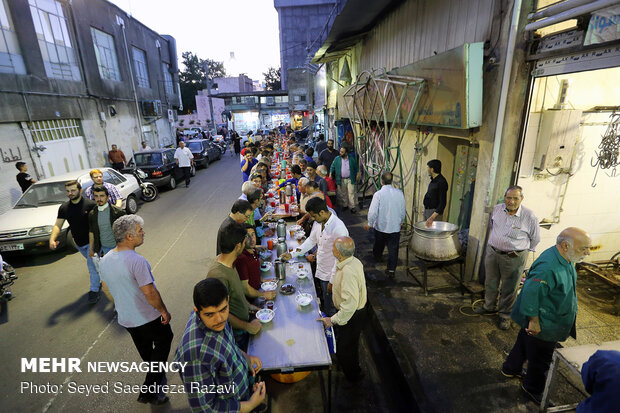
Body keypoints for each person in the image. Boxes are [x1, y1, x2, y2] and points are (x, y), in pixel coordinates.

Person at [502, 227, 591, 405]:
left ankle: (510, 368)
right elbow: (530, 293)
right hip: (544, 322)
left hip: (547, 316)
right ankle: (532, 388)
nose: (588, 253)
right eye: (584, 249)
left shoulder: (565, 257)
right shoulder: (549, 267)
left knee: (525, 341)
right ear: (565, 245)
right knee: (541, 358)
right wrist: (534, 321)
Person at [99, 215, 173, 405]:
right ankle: (151, 390)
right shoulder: (137, 261)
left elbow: (105, 287)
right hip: (148, 317)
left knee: (149, 356)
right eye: (140, 231)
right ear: (129, 237)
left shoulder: (105, 260)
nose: (143, 233)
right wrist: (163, 311)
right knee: (165, 340)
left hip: (127, 319)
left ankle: (158, 392)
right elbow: (150, 292)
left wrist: (121, 302)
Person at [174, 278, 267, 413]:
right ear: (197, 311)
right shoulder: (195, 355)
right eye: (210, 314)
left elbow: (229, 345)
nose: (219, 319)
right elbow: (205, 408)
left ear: (227, 301)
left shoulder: (218, 320)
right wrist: (249, 405)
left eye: (223, 310)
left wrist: (246, 357)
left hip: (242, 396)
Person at [475, 186, 540, 330]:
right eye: (508, 197)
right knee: (490, 282)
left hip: (514, 257)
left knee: (509, 288)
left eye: (515, 198)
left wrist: (520, 252)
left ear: (521, 199)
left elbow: (535, 238)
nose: (511, 201)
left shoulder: (529, 216)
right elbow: (494, 227)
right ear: (504, 197)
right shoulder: (497, 209)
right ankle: (489, 306)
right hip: (493, 252)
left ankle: (505, 315)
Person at [281, 197, 349, 316]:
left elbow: (340, 259)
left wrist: (332, 281)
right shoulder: (319, 222)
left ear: (322, 212)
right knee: (325, 300)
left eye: (313, 216)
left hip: (331, 275)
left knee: (331, 306)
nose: (312, 219)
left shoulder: (339, 228)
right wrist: (292, 254)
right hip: (322, 270)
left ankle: (332, 329)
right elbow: (311, 241)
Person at [317, 237, 367, 382]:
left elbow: (350, 305)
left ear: (338, 253)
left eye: (333, 247)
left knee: (346, 349)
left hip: (352, 315)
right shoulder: (352, 261)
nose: (331, 249)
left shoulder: (348, 272)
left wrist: (332, 320)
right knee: (350, 345)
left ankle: (354, 378)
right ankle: (352, 369)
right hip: (352, 313)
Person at [207, 222, 262, 351]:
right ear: (238, 246)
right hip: (237, 333)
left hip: (245, 322)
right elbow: (219, 314)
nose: (246, 244)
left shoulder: (231, 263)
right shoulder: (218, 275)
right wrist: (247, 326)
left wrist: (250, 307)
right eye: (244, 241)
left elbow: (236, 294)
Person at [49, 180, 99, 304]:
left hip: (92, 242)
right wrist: (52, 239)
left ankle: (94, 291)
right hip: (79, 244)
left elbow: (97, 226)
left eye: (73, 190)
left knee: (91, 265)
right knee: (97, 265)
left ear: (80, 190)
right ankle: (104, 278)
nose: (70, 193)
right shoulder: (64, 208)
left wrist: (94, 245)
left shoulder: (90, 205)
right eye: (67, 191)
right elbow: (57, 225)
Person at [364, 172, 407, 278]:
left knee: (379, 244)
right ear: (391, 181)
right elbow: (402, 209)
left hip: (381, 226)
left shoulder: (378, 194)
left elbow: (373, 211)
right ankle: (391, 269)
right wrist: (401, 221)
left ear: (381, 181)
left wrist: (369, 223)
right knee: (393, 249)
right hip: (394, 227)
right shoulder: (399, 193)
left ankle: (377, 258)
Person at [235, 225, 277, 297]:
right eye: (247, 236)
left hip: (259, 289)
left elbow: (253, 271)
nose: (252, 239)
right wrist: (263, 295)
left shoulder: (253, 250)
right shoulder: (241, 258)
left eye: (253, 234)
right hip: (252, 299)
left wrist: (263, 280)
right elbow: (245, 289)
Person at [88, 186, 125, 262]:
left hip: (119, 247)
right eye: (96, 196)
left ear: (108, 197)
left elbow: (128, 230)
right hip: (104, 249)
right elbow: (91, 232)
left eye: (102, 196)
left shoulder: (118, 212)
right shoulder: (92, 214)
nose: (99, 199)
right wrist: (91, 249)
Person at [330, 146, 360, 213]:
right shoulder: (337, 159)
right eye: (340, 151)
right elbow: (332, 166)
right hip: (342, 179)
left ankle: (352, 207)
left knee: (351, 193)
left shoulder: (351, 159)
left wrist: (358, 174)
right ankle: (345, 205)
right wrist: (330, 173)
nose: (340, 153)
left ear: (346, 153)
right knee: (344, 193)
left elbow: (356, 167)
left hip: (350, 179)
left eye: (342, 152)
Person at [423, 159, 448, 227]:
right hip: (428, 211)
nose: (427, 169)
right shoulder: (433, 180)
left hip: (434, 214)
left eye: (428, 167)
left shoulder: (441, 182)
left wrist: (432, 217)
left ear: (432, 169)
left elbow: (442, 203)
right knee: (426, 234)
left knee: (432, 236)